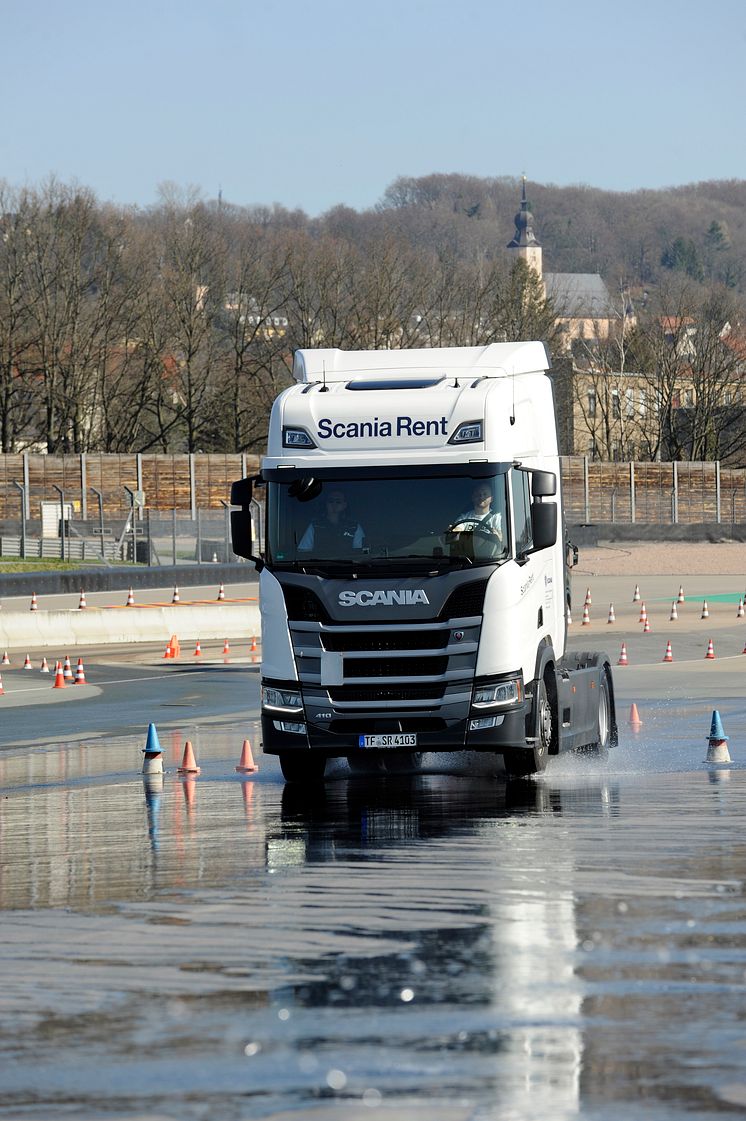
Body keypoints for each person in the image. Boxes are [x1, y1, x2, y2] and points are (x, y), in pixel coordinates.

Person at [298, 489, 364, 553]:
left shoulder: (354, 527)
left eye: (338, 501)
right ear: (326, 504)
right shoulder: (315, 525)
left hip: (349, 564)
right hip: (320, 563)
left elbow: (360, 553)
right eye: (331, 501)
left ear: (345, 505)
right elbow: (304, 552)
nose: (334, 504)